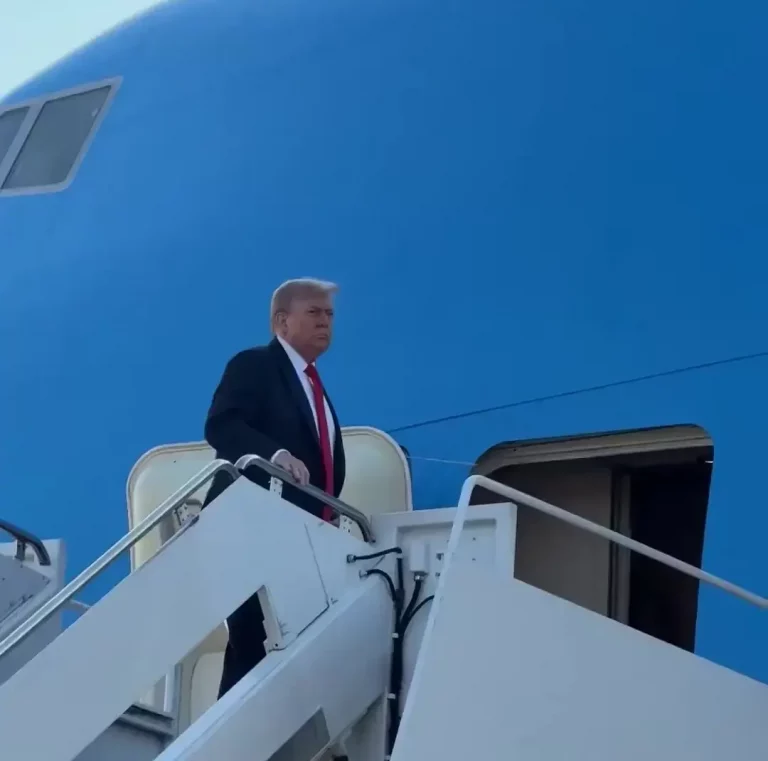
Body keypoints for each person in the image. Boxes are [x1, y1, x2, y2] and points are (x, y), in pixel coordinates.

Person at [201, 277, 346, 698]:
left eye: (330, 314)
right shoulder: (254, 365)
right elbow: (222, 424)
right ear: (282, 322)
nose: (326, 322)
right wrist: (275, 455)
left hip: (303, 535)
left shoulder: (313, 384)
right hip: (254, 525)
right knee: (252, 637)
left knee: (289, 641)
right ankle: (230, 740)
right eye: (314, 313)